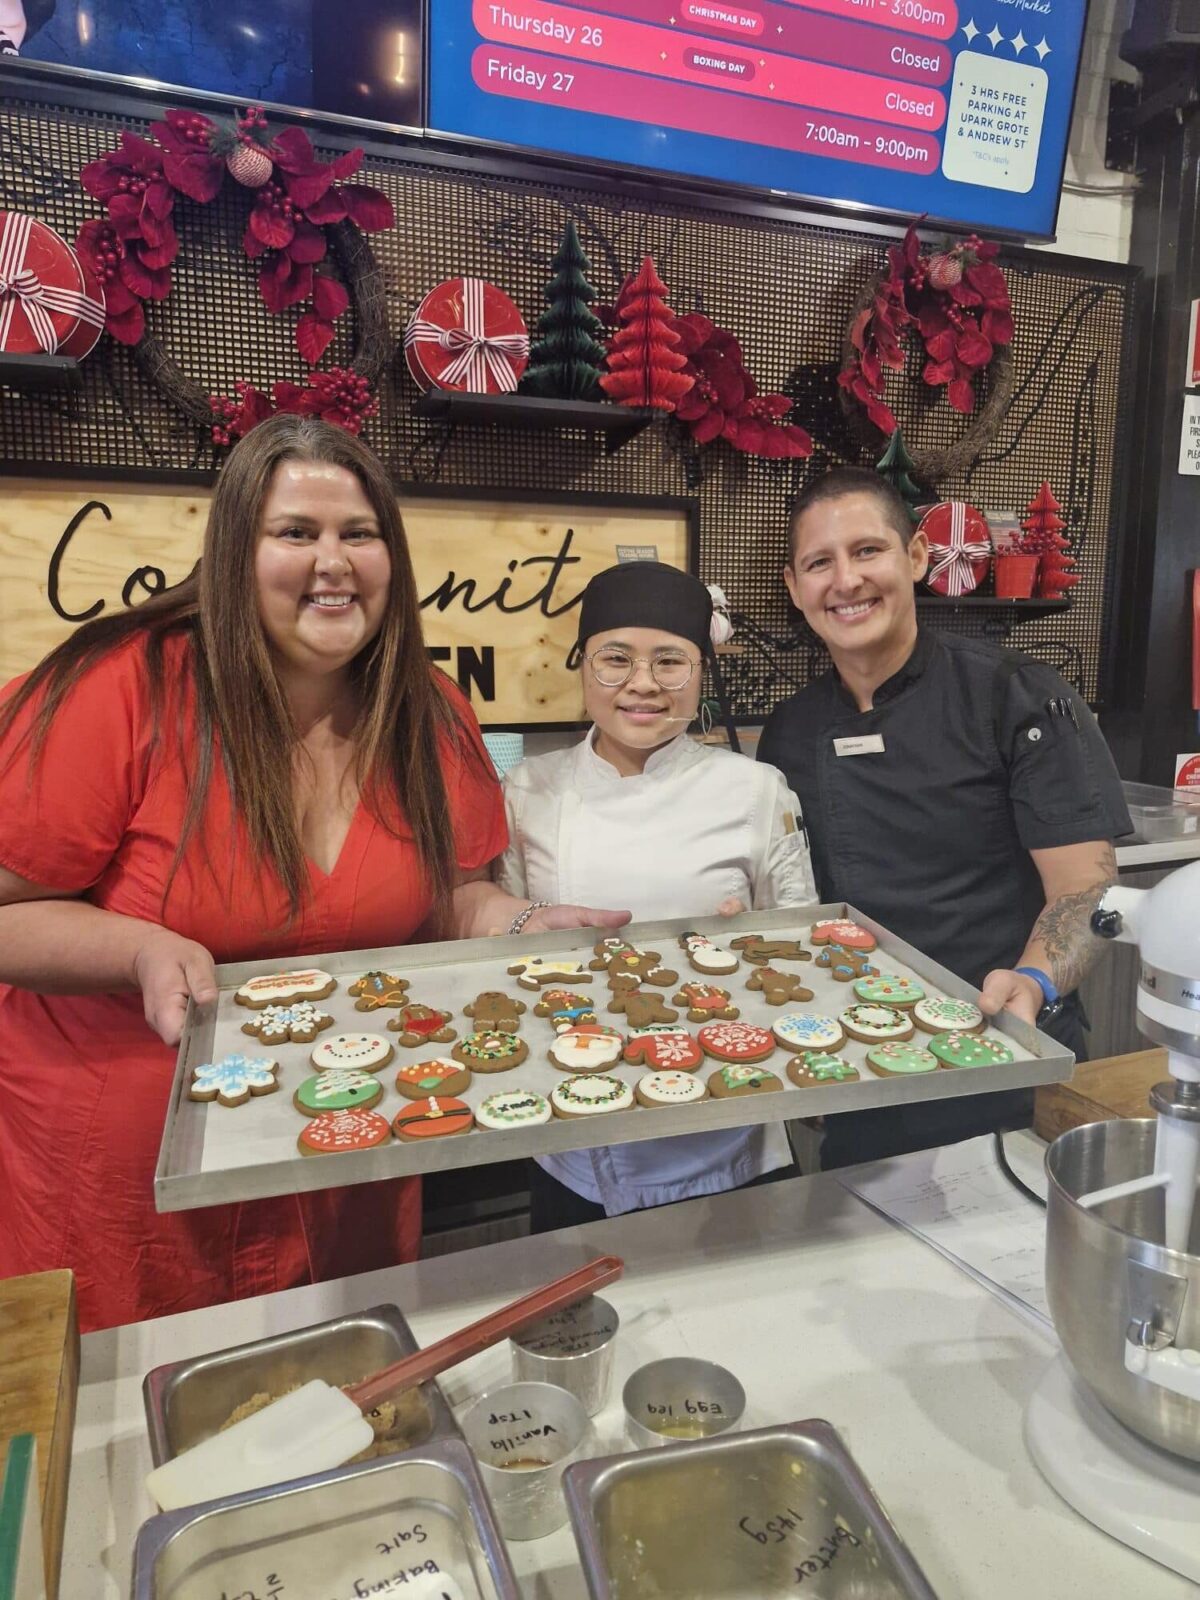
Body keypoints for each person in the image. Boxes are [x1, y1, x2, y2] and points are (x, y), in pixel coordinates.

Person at [0, 415, 625, 1331]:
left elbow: (448, 899)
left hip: (345, 1150)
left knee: (343, 1403)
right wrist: (136, 948)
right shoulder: (121, 685)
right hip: (126, 1180)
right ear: (234, 551)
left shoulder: (428, 709)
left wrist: (524, 926)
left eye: (358, 534)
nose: (332, 561)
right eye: (296, 533)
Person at [757, 467, 1131, 1168]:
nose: (846, 580)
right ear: (794, 586)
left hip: (1002, 1050)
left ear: (917, 558)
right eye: (819, 562)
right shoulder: (789, 730)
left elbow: (1087, 887)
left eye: (868, 551)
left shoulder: (1014, 696)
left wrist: (1036, 980)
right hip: (861, 1065)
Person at [498, 561, 816, 1228]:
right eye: (616, 659)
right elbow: (507, 953)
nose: (642, 685)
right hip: (578, 1138)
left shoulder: (757, 790)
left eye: (670, 662)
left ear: (701, 671)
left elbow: (803, 952)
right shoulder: (527, 790)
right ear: (582, 664)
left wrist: (753, 952)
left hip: (731, 1129)